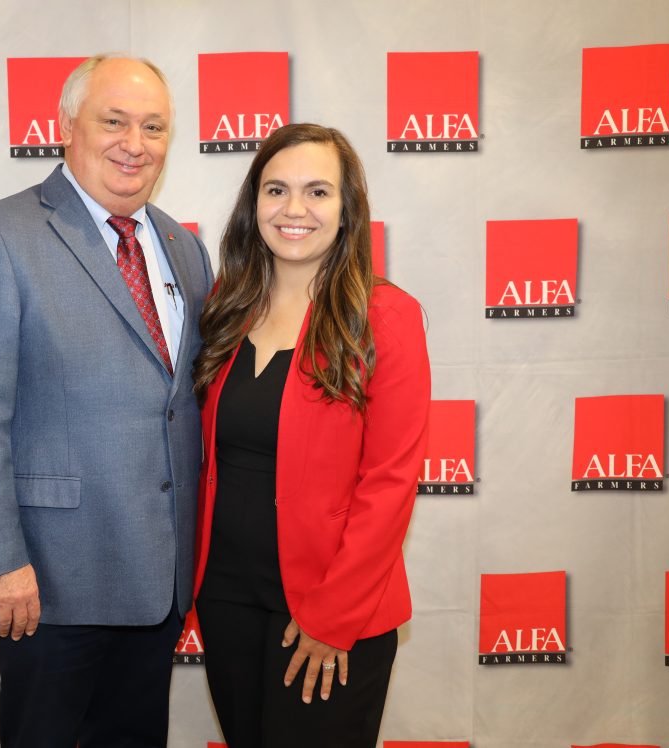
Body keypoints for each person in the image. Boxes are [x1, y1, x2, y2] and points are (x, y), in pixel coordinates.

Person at [0, 54, 212, 748]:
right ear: (65, 126)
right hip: (50, 585)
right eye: (113, 121)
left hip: (160, 583)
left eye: (154, 127)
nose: (133, 143)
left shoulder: (186, 248)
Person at [192, 123, 430, 747]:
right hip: (225, 599)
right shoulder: (224, 304)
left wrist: (333, 617)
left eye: (318, 192)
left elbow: (391, 481)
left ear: (348, 210)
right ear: (254, 205)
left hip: (327, 609)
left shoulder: (385, 315)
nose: (294, 209)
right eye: (276, 190)